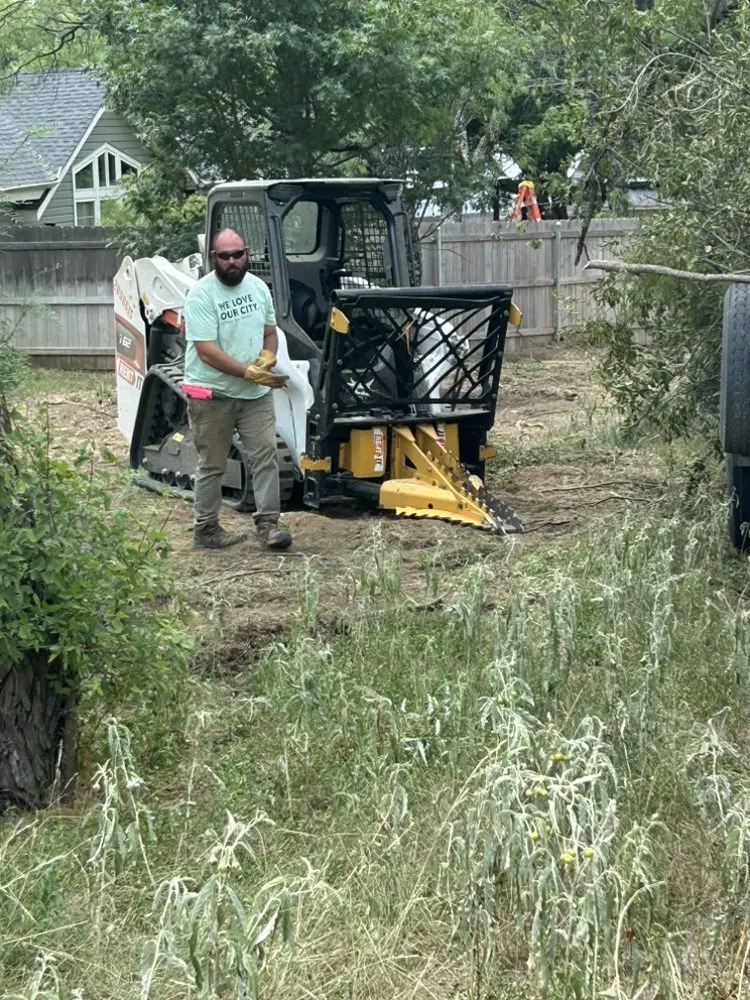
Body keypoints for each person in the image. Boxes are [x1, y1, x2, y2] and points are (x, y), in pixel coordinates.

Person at [182, 227, 293, 550]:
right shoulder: (202, 294)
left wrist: (266, 358)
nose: (232, 261)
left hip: (255, 396)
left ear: (248, 254)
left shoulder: (259, 288)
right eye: (225, 256)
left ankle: (268, 525)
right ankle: (206, 529)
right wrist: (249, 372)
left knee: (265, 456)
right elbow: (206, 351)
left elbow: (270, 332)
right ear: (213, 258)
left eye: (238, 254)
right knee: (213, 463)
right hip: (213, 395)